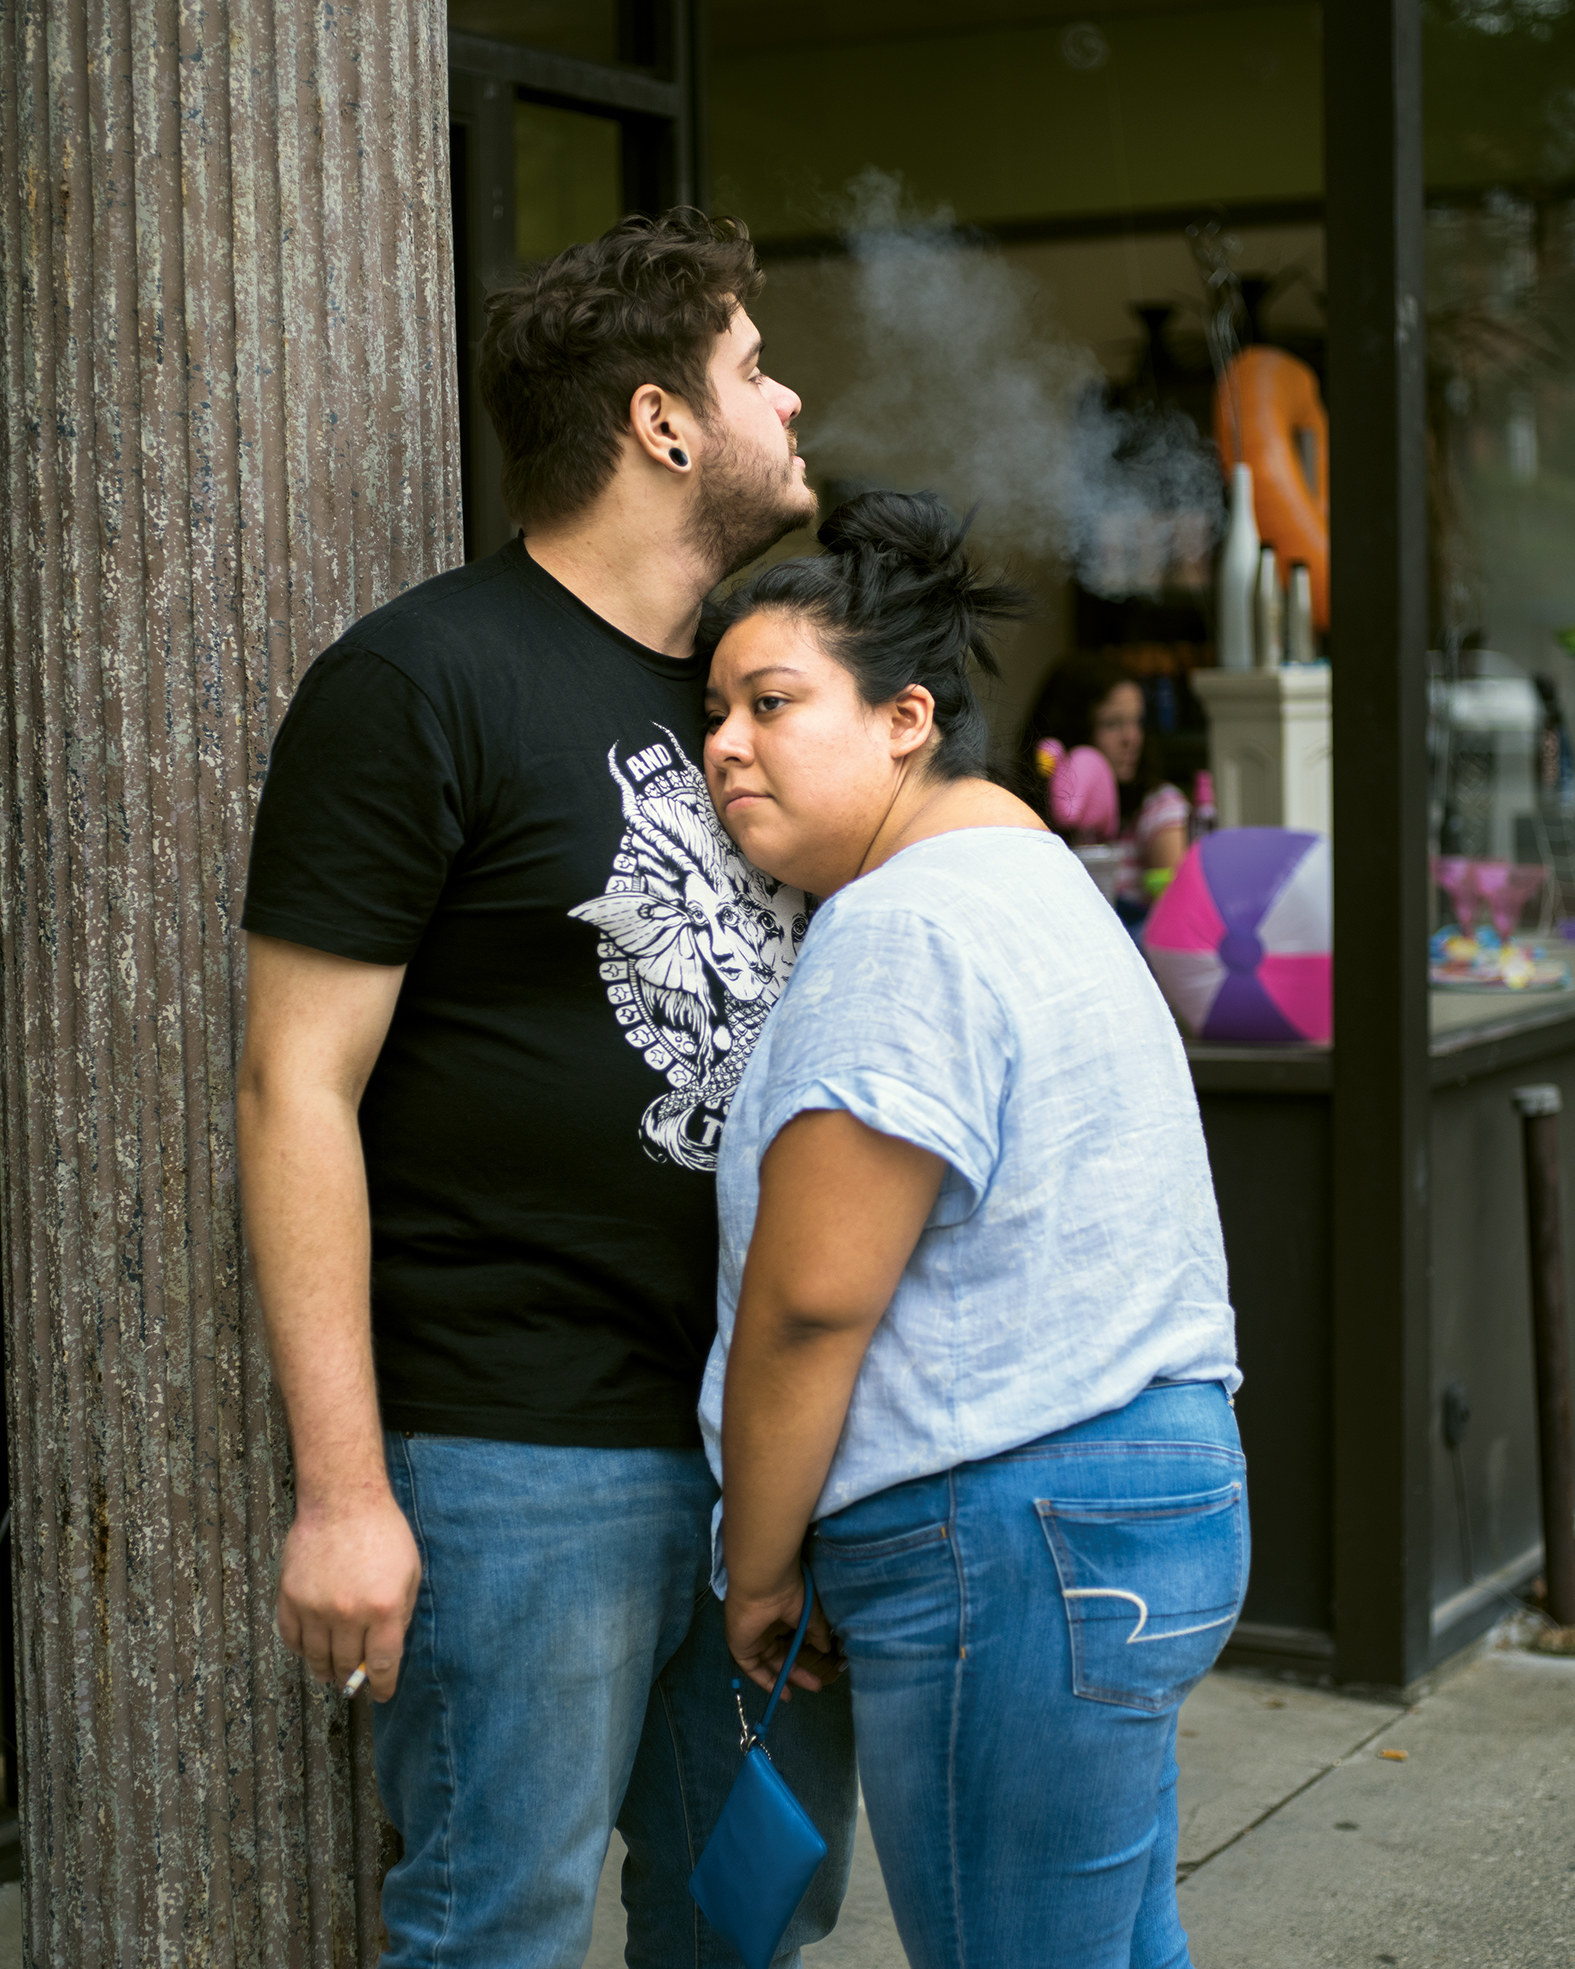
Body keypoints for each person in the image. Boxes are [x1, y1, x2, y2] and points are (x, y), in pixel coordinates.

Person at [236, 210, 855, 1968]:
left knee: (755, 1916)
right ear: (664, 422)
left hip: (767, 1450)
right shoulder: (421, 678)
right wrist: (346, 1488)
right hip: (518, 1457)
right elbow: (296, 1082)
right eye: (754, 365)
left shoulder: (768, 697)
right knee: (494, 1927)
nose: (789, 393)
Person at [698, 492, 1246, 1969]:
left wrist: (755, 1570)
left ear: (904, 719)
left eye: (770, 701)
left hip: (1004, 1532)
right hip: (1129, 1500)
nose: (724, 745)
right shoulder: (1029, 886)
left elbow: (813, 1301)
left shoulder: (903, 925)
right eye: (713, 713)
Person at [1025, 653, 1189, 912]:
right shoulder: (1026, 813)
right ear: (1074, 728)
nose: (1131, 739)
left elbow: (1175, 911)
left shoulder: (1159, 806)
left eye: (1137, 721)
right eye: (1112, 724)